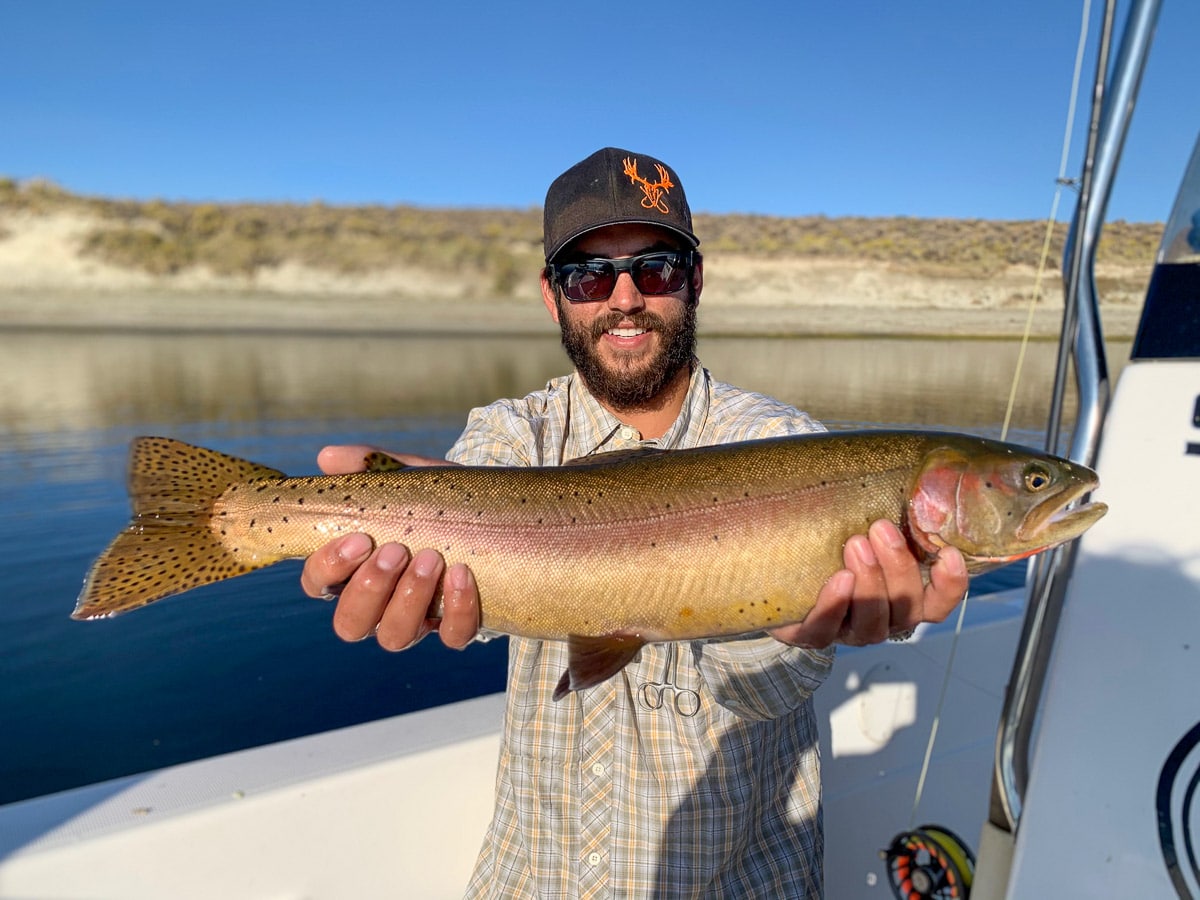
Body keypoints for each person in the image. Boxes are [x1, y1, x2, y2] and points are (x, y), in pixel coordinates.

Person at [300, 147, 968, 897]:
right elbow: (468, 593)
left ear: (695, 281)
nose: (624, 298)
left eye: (654, 268)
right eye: (588, 276)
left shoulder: (783, 446)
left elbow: (769, 693)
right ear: (554, 299)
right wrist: (400, 579)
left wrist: (794, 627)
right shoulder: (512, 437)